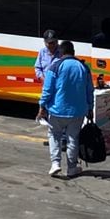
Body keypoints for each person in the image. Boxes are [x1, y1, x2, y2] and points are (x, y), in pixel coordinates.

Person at [36, 40, 93, 178]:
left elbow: (47, 90)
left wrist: (42, 106)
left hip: (57, 110)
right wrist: (90, 108)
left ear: (60, 53)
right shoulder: (83, 68)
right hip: (77, 112)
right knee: (73, 138)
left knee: (54, 135)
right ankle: (72, 168)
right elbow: (89, 91)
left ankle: (55, 164)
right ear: (73, 52)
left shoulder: (55, 67)